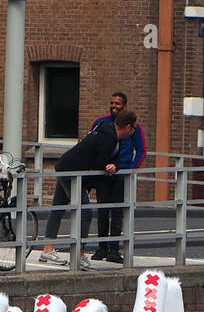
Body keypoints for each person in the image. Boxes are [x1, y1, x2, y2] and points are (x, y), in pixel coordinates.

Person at [38, 110, 139, 269]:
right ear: (127, 127)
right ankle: (78, 255)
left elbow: (112, 159)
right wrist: (101, 177)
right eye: (134, 128)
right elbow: (98, 163)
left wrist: (116, 166)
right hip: (72, 173)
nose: (134, 132)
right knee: (85, 212)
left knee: (58, 208)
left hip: (66, 167)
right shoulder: (109, 137)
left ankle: (47, 249)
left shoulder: (110, 133)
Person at [88, 92, 146, 264]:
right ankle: (102, 247)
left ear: (124, 106)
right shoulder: (101, 122)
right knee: (103, 211)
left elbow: (141, 150)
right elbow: (90, 144)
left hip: (121, 175)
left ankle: (114, 249)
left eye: (118, 103)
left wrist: (131, 169)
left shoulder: (133, 126)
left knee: (118, 213)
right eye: (112, 102)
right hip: (103, 174)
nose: (114, 106)